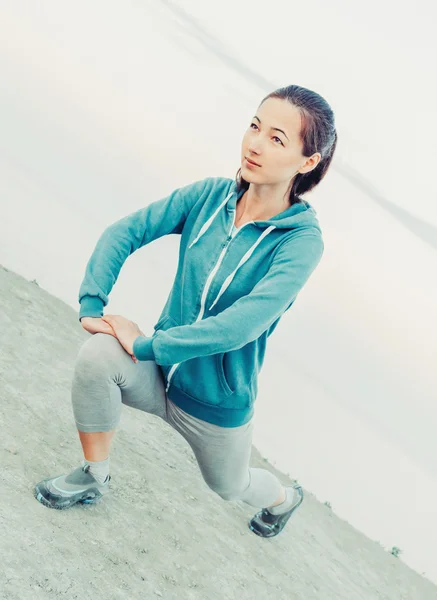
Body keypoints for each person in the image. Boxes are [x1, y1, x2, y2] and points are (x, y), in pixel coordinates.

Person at [34, 84, 337, 538]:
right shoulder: (209, 196)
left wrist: (146, 344)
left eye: (277, 138)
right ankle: (93, 476)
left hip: (214, 405)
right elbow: (127, 231)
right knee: (97, 356)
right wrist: (92, 302)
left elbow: (241, 325)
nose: (254, 143)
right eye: (254, 126)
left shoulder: (300, 242)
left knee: (231, 486)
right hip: (157, 374)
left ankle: (285, 499)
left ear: (307, 161)